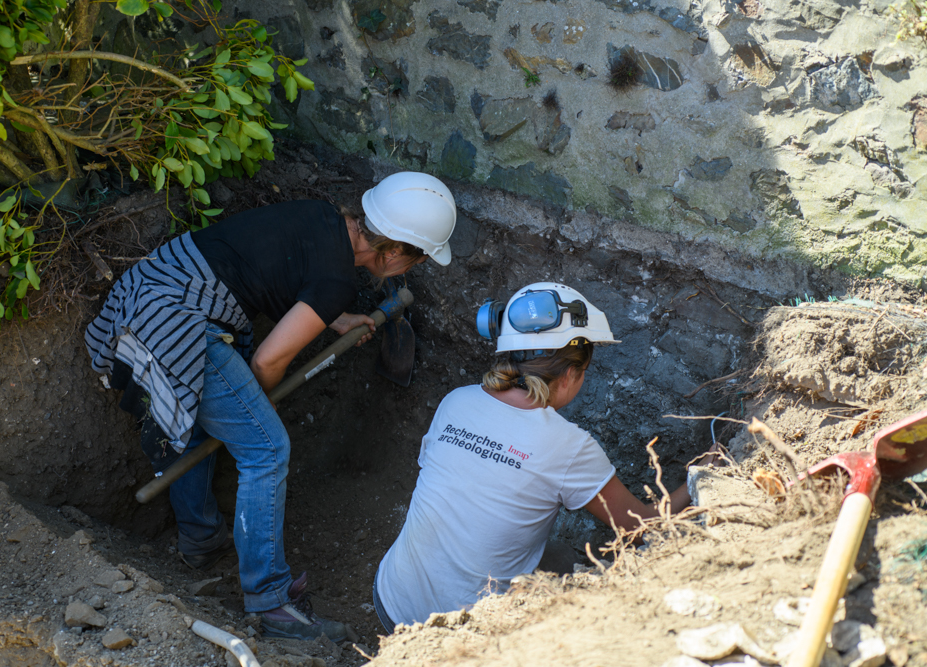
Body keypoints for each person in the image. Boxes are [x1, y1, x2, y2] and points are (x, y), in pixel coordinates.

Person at [85, 171, 458, 641]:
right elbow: (269, 359)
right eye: (418, 260)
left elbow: (281, 271)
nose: (410, 270)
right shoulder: (335, 280)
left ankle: (200, 540)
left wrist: (333, 318)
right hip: (179, 322)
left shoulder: (320, 217)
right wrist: (260, 411)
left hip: (147, 295)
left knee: (193, 413)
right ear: (397, 250)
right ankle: (272, 602)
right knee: (267, 449)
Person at [372, 282, 718, 631]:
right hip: (454, 634)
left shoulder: (456, 401)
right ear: (569, 375)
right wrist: (700, 475)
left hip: (390, 598)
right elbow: (643, 529)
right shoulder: (569, 445)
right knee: (567, 570)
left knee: (552, 555)